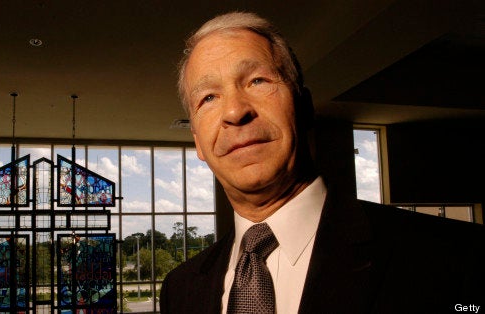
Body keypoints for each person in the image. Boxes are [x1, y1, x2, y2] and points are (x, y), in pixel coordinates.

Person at [160, 12, 484, 314]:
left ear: (304, 106)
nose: (234, 112)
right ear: (198, 142)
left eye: (257, 81)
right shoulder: (180, 289)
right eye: (208, 98)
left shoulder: (457, 260)